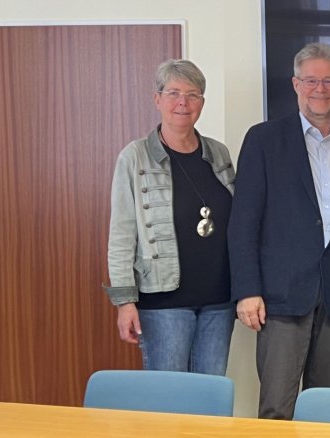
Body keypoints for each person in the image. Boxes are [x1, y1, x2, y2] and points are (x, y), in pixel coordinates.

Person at [228, 42, 330, 419]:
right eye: (311, 80)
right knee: (276, 410)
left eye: (328, 80)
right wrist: (247, 291)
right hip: (280, 297)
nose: (320, 89)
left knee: (325, 409)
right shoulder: (264, 139)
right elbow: (244, 222)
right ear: (295, 84)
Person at [105, 59, 235, 375]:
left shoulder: (218, 153)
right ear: (157, 99)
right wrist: (124, 302)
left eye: (193, 95)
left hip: (219, 302)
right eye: (174, 92)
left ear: (202, 103)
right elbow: (122, 236)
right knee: (169, 403)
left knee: (210, 397)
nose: (183, 103)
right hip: (163, 304)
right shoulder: (134, 156)